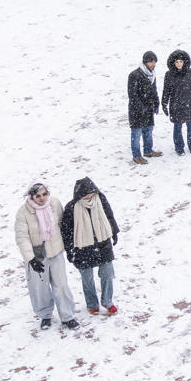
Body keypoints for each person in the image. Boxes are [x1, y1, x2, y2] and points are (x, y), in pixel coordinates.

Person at [14, 182, 79, 330]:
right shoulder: (23, 213)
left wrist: (69, 247)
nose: (42, 198)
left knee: (61, 285)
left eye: (44, 194)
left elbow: (63, 225)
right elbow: (22, 237)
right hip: (37, 257)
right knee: (40, 288)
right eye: (37, 196)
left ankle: (68, 316)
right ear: (31, 196)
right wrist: (31, 259)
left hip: (55, 252)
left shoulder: (54, 203)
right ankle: (45, 315)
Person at [61, 177, 121, 316]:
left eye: (91, 192)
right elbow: (66, 230)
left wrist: (114, 231)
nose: (89, 195)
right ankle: (92, 304)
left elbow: (109, 215)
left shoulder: (100, 199)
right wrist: (69, 250)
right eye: (86, 193)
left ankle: (107, 301)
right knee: (87, 278)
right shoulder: (71, 207)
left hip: (102, 243)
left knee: (107, 274)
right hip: (82, 247)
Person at [161, 49, 191, 154]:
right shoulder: (169, 75)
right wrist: (164, 104)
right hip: (176, 105)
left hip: (189, 104)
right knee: (177, 127)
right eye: (176, 62)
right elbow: (166, 91)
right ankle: (179, 148)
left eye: (181, 62)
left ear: (184, 62)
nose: (179, 64)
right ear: (173, 63)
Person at [127, 50, 160, 164]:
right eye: (151, 62)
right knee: (136, 133)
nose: (153, 64)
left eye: (154, 62)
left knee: (148, 130)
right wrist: (140, 107)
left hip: (148, 109)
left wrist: (156, 103)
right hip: (137, 110)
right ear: (145, 62)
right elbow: (133, 95)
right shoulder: (134, 75)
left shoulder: (152, 75)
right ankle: (136, 156)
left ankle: (148, 150)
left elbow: (154, 90)